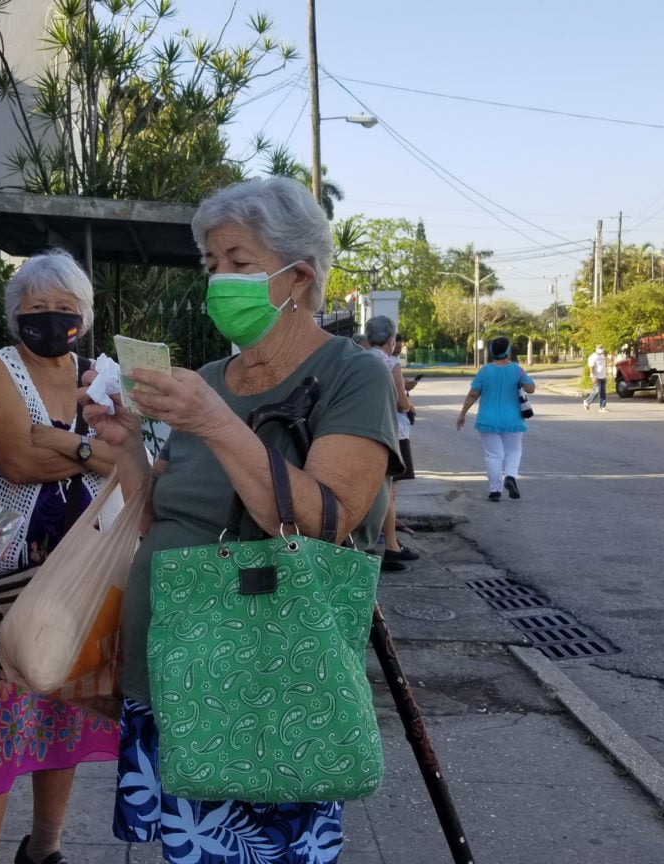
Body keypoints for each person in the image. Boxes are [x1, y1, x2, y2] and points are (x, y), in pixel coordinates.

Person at [84, 176, 399, 863]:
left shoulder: (353, 375)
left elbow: (325, 522)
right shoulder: (208, 379)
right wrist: (127, 448)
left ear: (299, 278)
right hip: (172, 668)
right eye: (211, 263)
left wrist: (215, 422)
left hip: (260, 683)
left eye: (239, 261)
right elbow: (162, 517)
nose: (219, 279)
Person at [0, 250, 122, 864]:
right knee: (6, 720)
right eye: (37, 307)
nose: (51, 318)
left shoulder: (97, 375)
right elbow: (15, 462)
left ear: (84, 313)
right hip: (5, 564)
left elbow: (133, 459)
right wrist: (91, 450)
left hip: (86, 561)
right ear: (16, 315)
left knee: (66, 710)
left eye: (64, 307)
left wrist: (60, 441)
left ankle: (44, 848)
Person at [363, 315, 417, 571]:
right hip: (393, 432)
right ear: (391, 339)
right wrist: (410, 404)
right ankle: (392, 546)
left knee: (370, 489)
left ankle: (367, 541)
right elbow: (400, 403)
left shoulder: (359, 359)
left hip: (366, 430)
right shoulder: (391, 363)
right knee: (388, 493)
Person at [455, 336, 536, 502]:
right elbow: (531, 388)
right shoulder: (517, 369)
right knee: (513, 451)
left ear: (492, 351)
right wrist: (520, 381)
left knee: (493, 455)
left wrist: (463, 413)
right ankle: (510, 476)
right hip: (513, 420)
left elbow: (473, 394)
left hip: (488, 420)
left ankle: (495, 490)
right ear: (508, 351)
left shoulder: (484, 371)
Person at [584, 345, 609, 412]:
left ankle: (602, 407)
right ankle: (587, 401)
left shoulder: (603, 356)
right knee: (597, 391)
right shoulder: (593, 357)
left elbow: (604, 366)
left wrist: (606, 375)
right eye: (599, 348)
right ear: (596, 349)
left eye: (601, 348)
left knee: (603, 393)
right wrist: (592, 376)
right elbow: (591, 367)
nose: (601, 349)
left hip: (603, 376)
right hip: (596, 377)